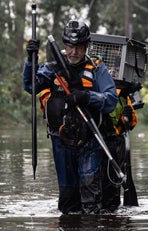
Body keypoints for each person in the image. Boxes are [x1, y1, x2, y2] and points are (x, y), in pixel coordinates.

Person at [22, 20, 118, 214]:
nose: (73, 52)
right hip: (61, 140)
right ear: (64, 45)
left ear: (87, 46)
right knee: (68, 202)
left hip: (90, 140)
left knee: (90, 198)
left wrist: (87, 96)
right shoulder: (52, 68)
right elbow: (31, 86)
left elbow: (110, 100)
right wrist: (31, 60)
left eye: (79, 47)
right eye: (69, 47)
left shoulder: (97, 69)